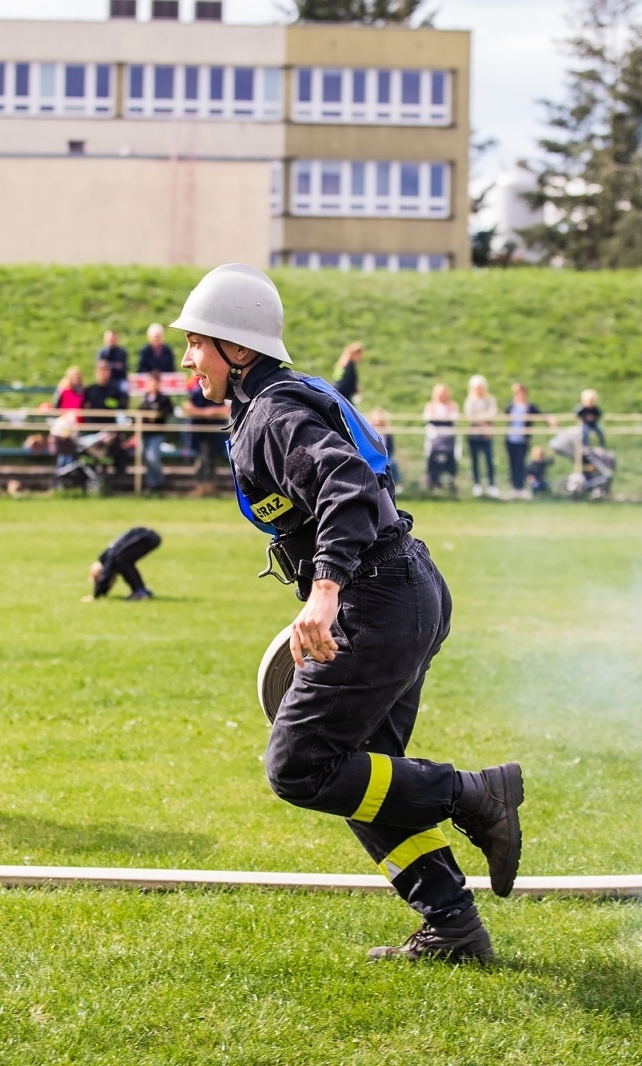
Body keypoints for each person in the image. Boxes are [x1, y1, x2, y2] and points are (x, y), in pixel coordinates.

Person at [172, 264, 524, 964]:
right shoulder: (267, 406)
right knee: (366, 778)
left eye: (196, 343)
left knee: (300, 766)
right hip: (402, 589)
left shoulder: (272, 414)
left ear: (236, 349)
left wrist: (326, 589)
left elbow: (347, 483)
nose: (188, 359)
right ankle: (453, 929)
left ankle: (476, 794)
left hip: (377, 596)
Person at [88, 527, 161, 601]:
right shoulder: (108, 556)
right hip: (147, 536)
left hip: (146, 538)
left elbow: (106, 575)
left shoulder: (108, 559)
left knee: (122, 561)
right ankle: (141, 590)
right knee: (123, 561)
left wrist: (96, 595)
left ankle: (140, 592)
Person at [81, 358, 128, 472]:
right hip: (92, 432)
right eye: (101, 370)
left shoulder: (115, 391)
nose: (104, 373)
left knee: (120, 448)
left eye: (106, 370)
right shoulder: (90, 390)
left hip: (110, 431)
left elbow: (121, 409)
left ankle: (118, 475)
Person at [182, 377, 230, 480]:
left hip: (215, 434)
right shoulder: (196, 393)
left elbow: (227, 409)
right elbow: (188, 408)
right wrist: (205, 413)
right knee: (203, 458)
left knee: (213, 458)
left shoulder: (218, 392)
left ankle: (209, 484)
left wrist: (212, 411)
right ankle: (201, 483)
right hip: (199, 434)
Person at [504, 382, 545, 500]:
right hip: (511, 439)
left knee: (520, 464)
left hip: (522, 440)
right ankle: (514, 488)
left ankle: (520, 488)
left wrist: (550, 420)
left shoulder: (529, 407)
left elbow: (540, 414)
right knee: (512, 464)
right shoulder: (511, 406)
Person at [463, 375, 499, 498]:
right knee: (475, 461)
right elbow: (470, 416)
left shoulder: (490, 399)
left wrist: (479, 418)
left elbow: (492, 414)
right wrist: (484, 420)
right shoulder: (470, 400)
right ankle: (477, 485)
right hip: (474, 435)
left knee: (489, 461)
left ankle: (492, 485)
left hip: (486, 435)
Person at [138, 375, 175, 491]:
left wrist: (157, 415)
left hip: (157, 432)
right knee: (147, 458)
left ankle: (159, 481)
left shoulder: (163, 399)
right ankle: (152, 484)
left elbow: (169, 411)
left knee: (152, 457)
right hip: (145, 433)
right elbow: (139, 412)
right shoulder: (144, 398)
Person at [422, 383, 458, 493]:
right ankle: (433, 480)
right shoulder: (430, 405)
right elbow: (428, 418)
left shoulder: (452, 405)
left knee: (450, 456)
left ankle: (450, 480)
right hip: (434, 438)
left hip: (448, 437)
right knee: (433, 457)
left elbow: (453, 418)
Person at [368, 406, 399, 492]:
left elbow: (391, 448)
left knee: (392, 464)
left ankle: (394, 484)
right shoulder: (368, 431)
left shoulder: (387, 433)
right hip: (371, 455)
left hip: (385, 456)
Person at [96, 330, 129, 396]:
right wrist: (115, 365)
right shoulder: (102, 352)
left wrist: (108, 365)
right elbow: (100, 366)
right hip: (105, 379)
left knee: (124, 389)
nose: (111, 341)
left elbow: (123, 368)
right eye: (109, 339)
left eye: (113, 339)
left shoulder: (122, 352)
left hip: (118, 378)